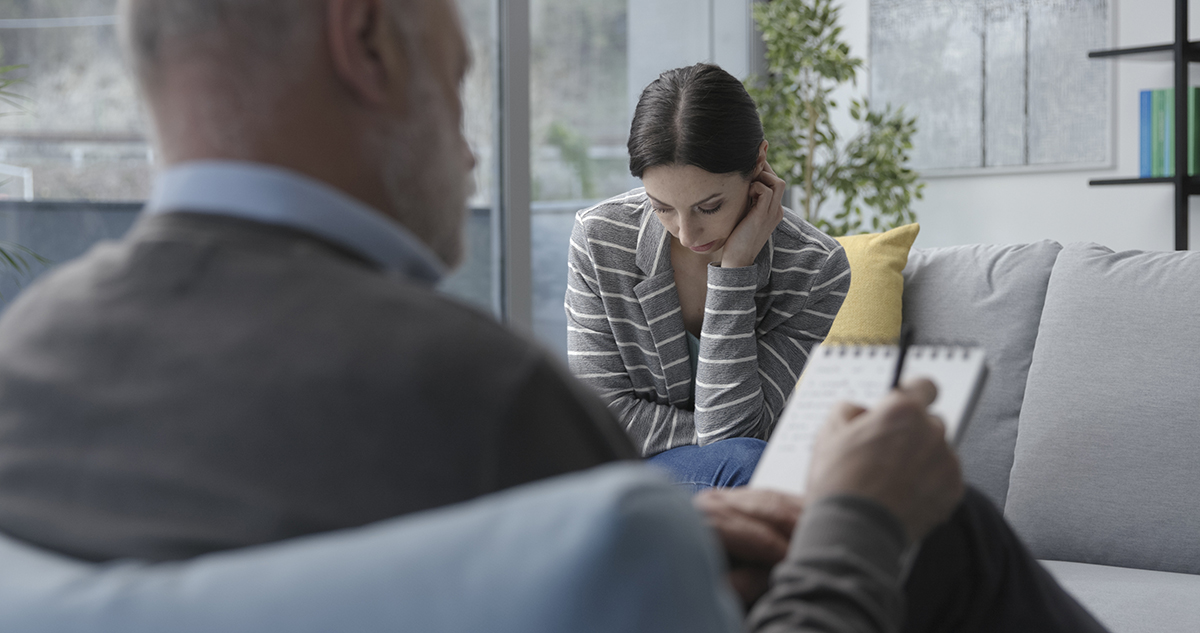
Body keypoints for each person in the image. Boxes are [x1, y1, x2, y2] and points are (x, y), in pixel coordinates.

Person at [0, 1, 1108, 632]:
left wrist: (644, 533)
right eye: (462, 65)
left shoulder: (25, 369)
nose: (475, 145)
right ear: (368, 41)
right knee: (943, 520)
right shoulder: (483, 403)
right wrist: (861, 524)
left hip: (697, 479)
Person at [566, 63, 850, 491]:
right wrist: (712, 436)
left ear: (758, 163)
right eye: (661, 207)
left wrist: (734, 270)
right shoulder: (601, 238)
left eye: (709, 206)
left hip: (736, 470)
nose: (685, 231)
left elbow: (733, 430)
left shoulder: (813, 269)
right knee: (753, 468)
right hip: (624, 468)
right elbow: (603, 418)